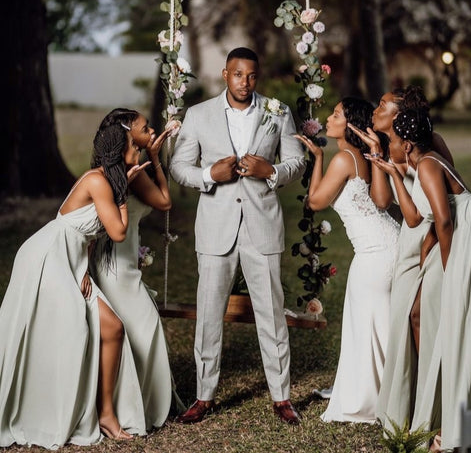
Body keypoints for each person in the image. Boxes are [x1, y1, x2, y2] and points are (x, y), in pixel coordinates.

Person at [170, 47, 306, 425]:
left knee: (272, 314)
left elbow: (297, 161)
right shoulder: (198, 115)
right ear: (224, 73)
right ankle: (204, 395)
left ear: (256, 77)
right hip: (216, 228)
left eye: (251, 76)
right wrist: (210, 175)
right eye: (237, 74)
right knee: (209, 315)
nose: (244, 82)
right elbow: (178, 166)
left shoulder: (277, 112)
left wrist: (271, 170)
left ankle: (281, 397)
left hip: (262, 226)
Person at [0, 110, 151, 448]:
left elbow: (89, 233)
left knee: (111, 328)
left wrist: (81, 267)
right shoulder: (98, 181)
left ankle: (107, 414)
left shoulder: (108, 181)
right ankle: (52, 409)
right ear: (120, 146)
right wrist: (125, 188)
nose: (138, 148)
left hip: (70, 258)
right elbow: (117, 231)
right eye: (135, 141)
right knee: (74, 327)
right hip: (45, 257)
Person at [367, 108, 471, 451]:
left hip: (467, 241)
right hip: (454, 237)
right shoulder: (422, 162)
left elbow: (445, 221)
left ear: (407, 142)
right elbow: (421, 218)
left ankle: (456, 429)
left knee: (458, 324)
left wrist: (448, 269)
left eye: (394, 142)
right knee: (441, 323)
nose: (393, 147)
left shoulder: (429, 163)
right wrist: (395, 176)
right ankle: (448, 416)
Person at [349, 86, 452, 433]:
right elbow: (381, 200)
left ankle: (436, 402)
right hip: (409, 241)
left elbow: (447, 198)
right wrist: (378, 155)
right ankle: (412, 403)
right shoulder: (386, 148)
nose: (375, 109)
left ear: (399, 116)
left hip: (434, 237)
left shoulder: (430, 142)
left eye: (382, 105)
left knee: (423, 316)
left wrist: (435, 247)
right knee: (406, 322)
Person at [297, 97, 400, 423]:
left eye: (337, 114)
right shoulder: (364, 155)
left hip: (373, 253)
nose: (329, 117)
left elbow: (315, 202)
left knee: (367, 326)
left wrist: (318, 159)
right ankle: (393, 394)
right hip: (389, 243)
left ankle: (373, 400)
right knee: (381, 325)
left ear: (350, 124)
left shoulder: (344, 159)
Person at [90, 109, 182, 433]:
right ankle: (124, 409)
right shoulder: (110, 173)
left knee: (146, 328)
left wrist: (156, 158)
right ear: (129, 134)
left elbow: (164, 201)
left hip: (129, 263)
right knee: (138, 327)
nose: (152, 129)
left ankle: (145, 404)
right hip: (111, 263)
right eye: (145, 128)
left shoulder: (138, 169)